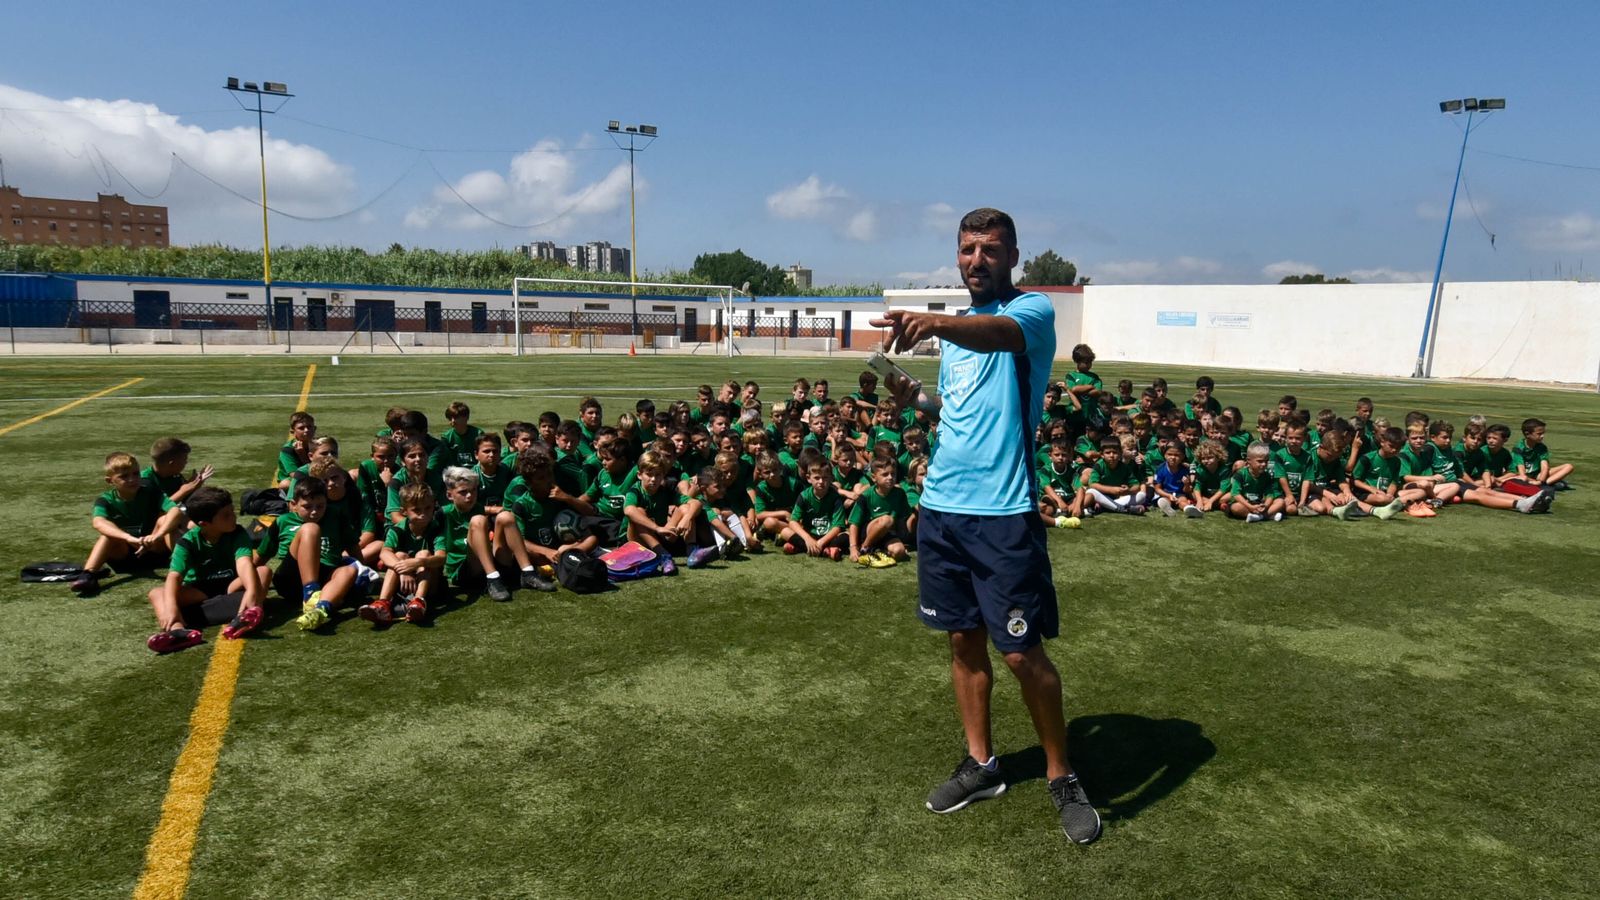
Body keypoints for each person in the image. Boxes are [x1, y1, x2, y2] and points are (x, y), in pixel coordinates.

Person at [871, 207, 1100, 844]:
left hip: (1004, 514)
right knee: (962, 644)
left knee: (1023, 653)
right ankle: (983, 764)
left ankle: (1061, 774)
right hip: (942, 509)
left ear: (1013, 255)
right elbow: (955, 411)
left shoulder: (1030, 313)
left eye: (990, 250)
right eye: (968, 248)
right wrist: (915, 400)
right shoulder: (958, 331)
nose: (977, 259)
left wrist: (935, 322)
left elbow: (996, 335)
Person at [147, 486, 270, 653]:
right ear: (204, 524)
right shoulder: (188, 542)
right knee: (157, 593)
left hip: (230, 585)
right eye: (226, 515)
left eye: (232, 511)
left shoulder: (238, 533)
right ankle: (177, 630)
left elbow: (244, 563)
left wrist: (251, 591)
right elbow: (174, 576)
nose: (233, 517)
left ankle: (245, 615)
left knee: (263, 571)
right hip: (200, 590)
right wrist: (171, 608)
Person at [74, 452, 185, 596]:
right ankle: (88, 575)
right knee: (107, 534)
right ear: (110, 481)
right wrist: (127, 538)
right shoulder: (105, 500)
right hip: (124, 556)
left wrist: (158, 535)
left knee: (164, 521)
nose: (132, 479)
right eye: (124, 476)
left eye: (136, 473)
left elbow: (175, 511)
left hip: (155, 550)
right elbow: (98, 522)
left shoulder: (151, 492)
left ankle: (188, 567)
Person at [360, 482, 445, 625]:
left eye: (428, 508)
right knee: (398, 555)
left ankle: (419, 602)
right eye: (417, 510)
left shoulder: (435, 528)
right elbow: (384, 553)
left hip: (429, 583)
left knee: (423, 554)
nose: (423, 514)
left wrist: (419, 562)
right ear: (404, 511)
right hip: (403, 582)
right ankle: (383, 604)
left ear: (434, 506)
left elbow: (441, 557)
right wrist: (403, 570)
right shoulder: (398, 529)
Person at [143, 437, 213, 502]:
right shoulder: (144, 482)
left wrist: (194, 485)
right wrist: (183, 492)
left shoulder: (175, 476)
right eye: (184, 459)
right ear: (172, 463)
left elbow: (186, 500)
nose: (186, 462)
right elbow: (155, 511)